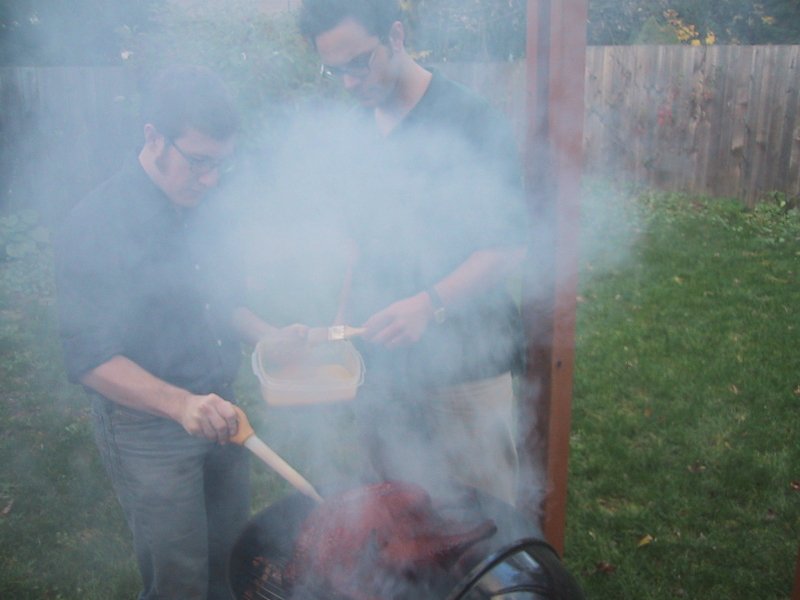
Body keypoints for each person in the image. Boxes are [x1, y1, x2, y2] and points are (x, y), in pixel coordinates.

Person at [54, 65, 304, 600]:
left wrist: (266, 335)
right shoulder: (94, 224)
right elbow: (90, 357)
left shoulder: (206, 202)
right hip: (148, 429)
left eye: (221, 163)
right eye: (199, 161)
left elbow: (218, 300)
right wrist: (181, 405)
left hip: (222, 409)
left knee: (232, 561)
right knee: (180, 580)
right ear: (154, 138)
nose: (211, 179)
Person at [298, 0, 529, 506]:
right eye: (335, 71)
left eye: (359, 63)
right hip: (382, 374)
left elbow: (508, 246)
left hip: (466, 370)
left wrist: (429, 304)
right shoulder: (356, 131)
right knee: (393, 515)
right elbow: (360, 244)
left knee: (483, 519)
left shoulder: (471, 120)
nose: (350, 83)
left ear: (396, 36)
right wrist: (341, 324)